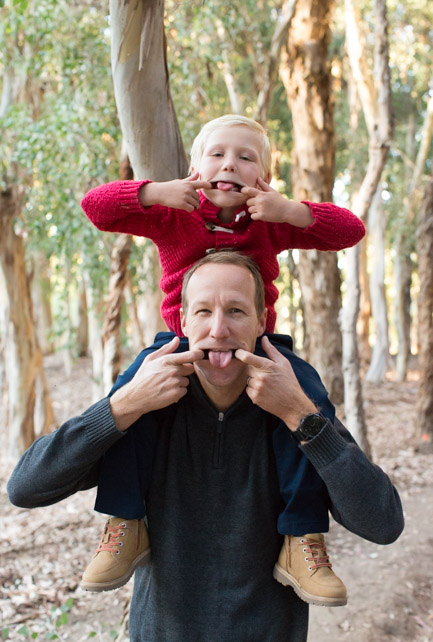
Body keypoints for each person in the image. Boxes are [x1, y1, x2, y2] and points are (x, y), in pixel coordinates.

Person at [8, 252, 404, 642]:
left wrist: (302, 417)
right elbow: (26, 487)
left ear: (261, 321)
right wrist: (125, 404)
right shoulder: (147, 407)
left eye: (235, 311)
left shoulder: (295, 400)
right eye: (202, 312)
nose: (218, 329)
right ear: (182, 321)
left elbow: (383, 523)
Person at [79, 114, 366, 602]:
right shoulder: (172, 215)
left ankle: (301, 538)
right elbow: (96, 207)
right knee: (128, 402)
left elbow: (350, 230)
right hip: (178, 344)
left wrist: (291, 210)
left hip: (258, 348)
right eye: (216, 154)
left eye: (245, 157)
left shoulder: (269, 223)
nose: (229, 163)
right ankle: (125, 524)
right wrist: (154, 192)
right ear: (195, 168)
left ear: (263, 179)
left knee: (303, 403)